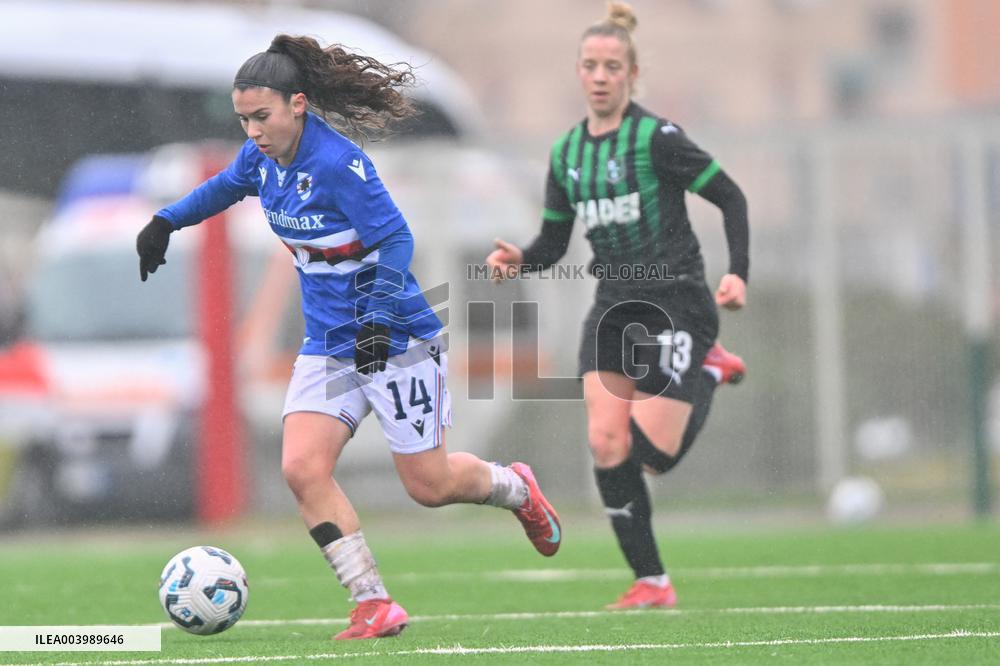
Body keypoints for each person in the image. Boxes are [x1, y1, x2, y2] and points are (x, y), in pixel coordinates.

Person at [136, 34, 561, 640]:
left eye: (262, 117)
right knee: (302, 468)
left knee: (430, 486)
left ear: (298, 105)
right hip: (328, 345)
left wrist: (378, 317)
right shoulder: (261, 159)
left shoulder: (339, 165)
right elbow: (225, 186)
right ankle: (372, 603)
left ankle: (516, 487)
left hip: (395, 338)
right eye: (244, 119)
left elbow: (397, 239)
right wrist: (165, 222)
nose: (253, 131)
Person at [486, 2, 748, 610]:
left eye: (611, 66)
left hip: (677, 301)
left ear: (631, 74)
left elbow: (731, 196)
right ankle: (651, 581)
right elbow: (555, 244)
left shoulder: (657, 140)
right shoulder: (566, 154)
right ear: (578, 72)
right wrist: (520, 258)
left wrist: (737, 272)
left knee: (652, 457)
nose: (600, 76)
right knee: (607, 444)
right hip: (614, 306)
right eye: (590, 65)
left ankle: (709, 366)